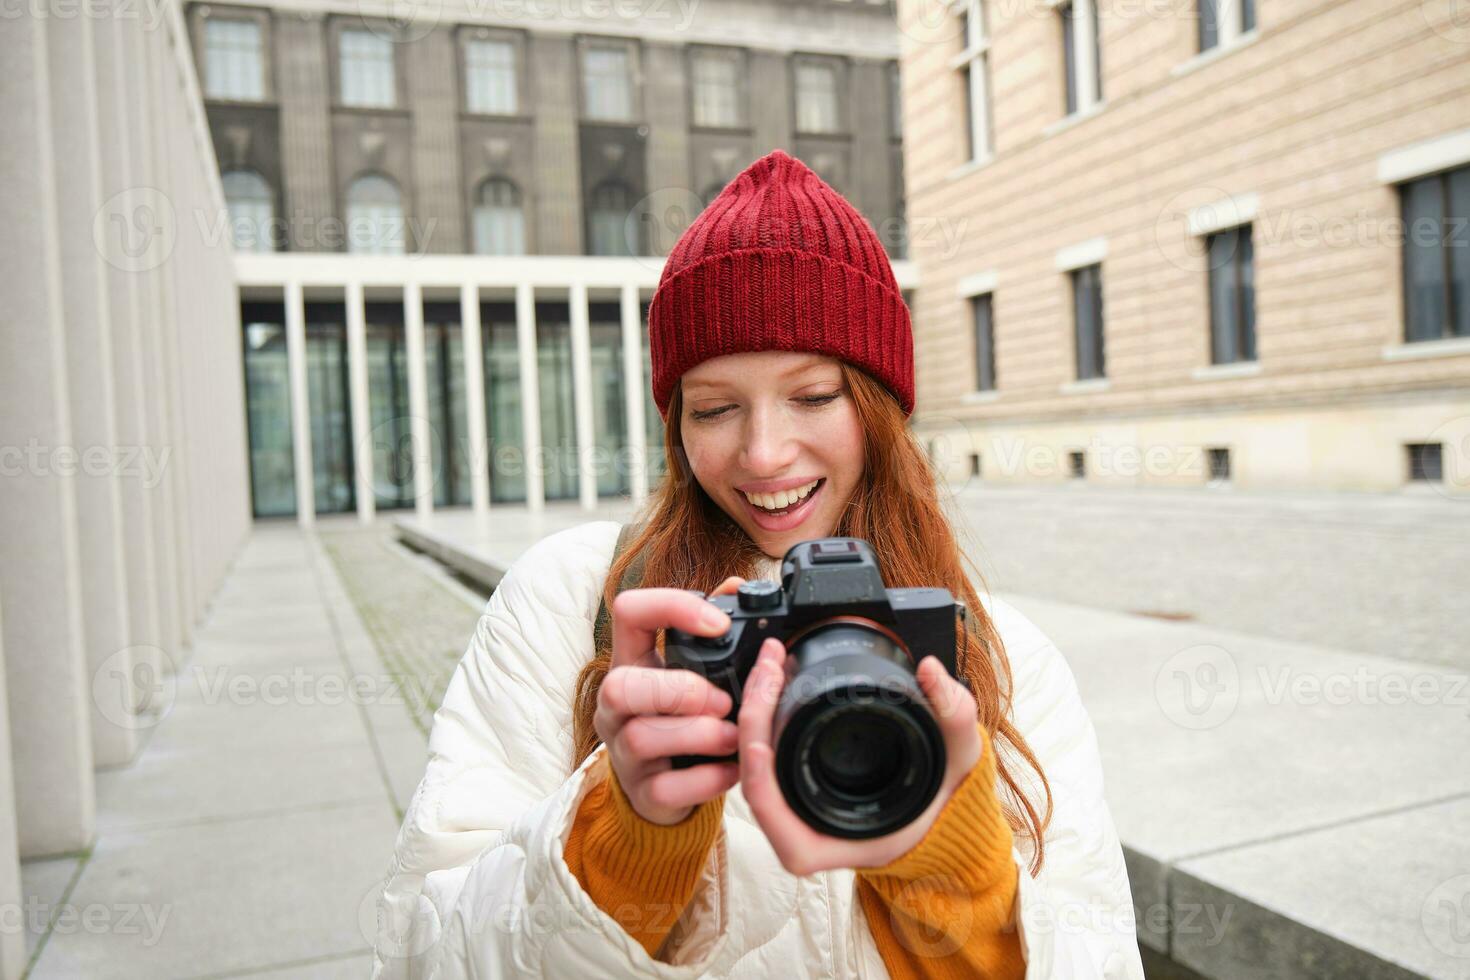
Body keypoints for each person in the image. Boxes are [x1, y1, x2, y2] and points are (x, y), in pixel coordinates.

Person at [371, 149, 1144, 979]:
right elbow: (423, 949)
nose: (765, 454)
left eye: (814, 397)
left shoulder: (1006, 656)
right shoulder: (565, 599)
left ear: (881, 408)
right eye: (714, 409)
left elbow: (1095, 953)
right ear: (676, 425)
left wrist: (954, 876)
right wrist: (622, 835)